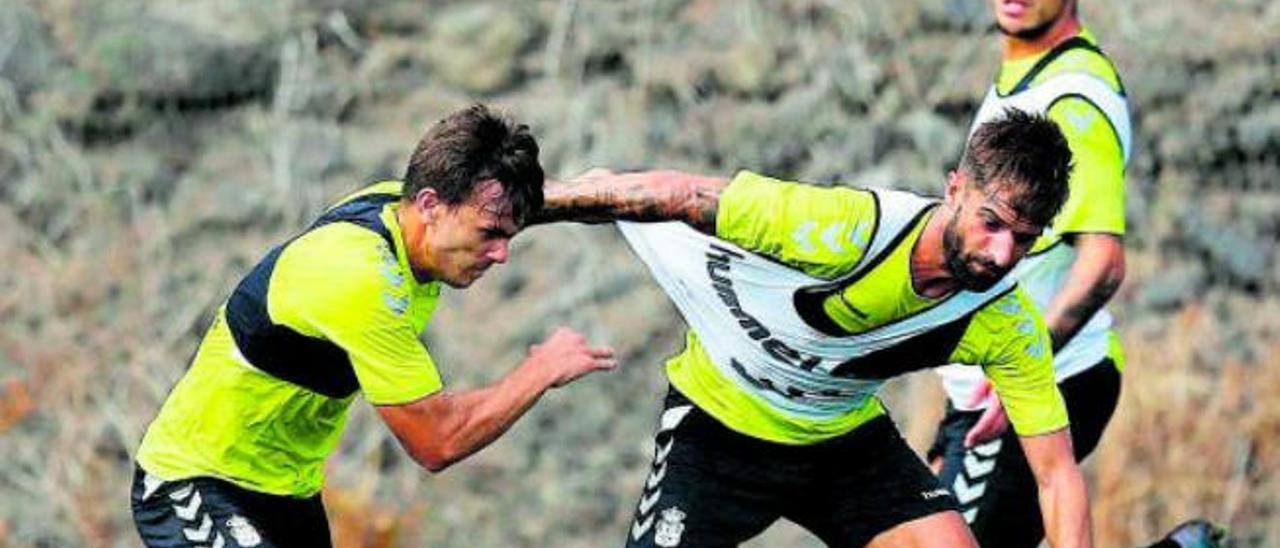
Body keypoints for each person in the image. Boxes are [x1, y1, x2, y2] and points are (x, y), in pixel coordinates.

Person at [534, 109, 1091, 547]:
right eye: (990, 223)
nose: (999, 253)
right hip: (719, 427)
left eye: (1024, 239)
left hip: (841, 445)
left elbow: (1057, 476)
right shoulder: (847, 230)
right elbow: (682, 197)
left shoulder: (1006, 322)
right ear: (954, 188)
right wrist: (523, 206)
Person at [130, 104, 617, 547]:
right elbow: (437, 441)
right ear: (429, 205)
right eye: (490, 235)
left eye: (509, 234)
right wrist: (541, 370)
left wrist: (607, 193)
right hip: (193, 480)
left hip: (285, 494)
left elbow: (506, 206)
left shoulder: (405, 207)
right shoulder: (358, 280)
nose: (502, 254)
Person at [926, 2, 1136, 546]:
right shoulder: (1024, 79)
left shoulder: (1074, 97)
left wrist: (1026, 366)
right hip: (983, 389)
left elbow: (1103, 262)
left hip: (1048, 378)